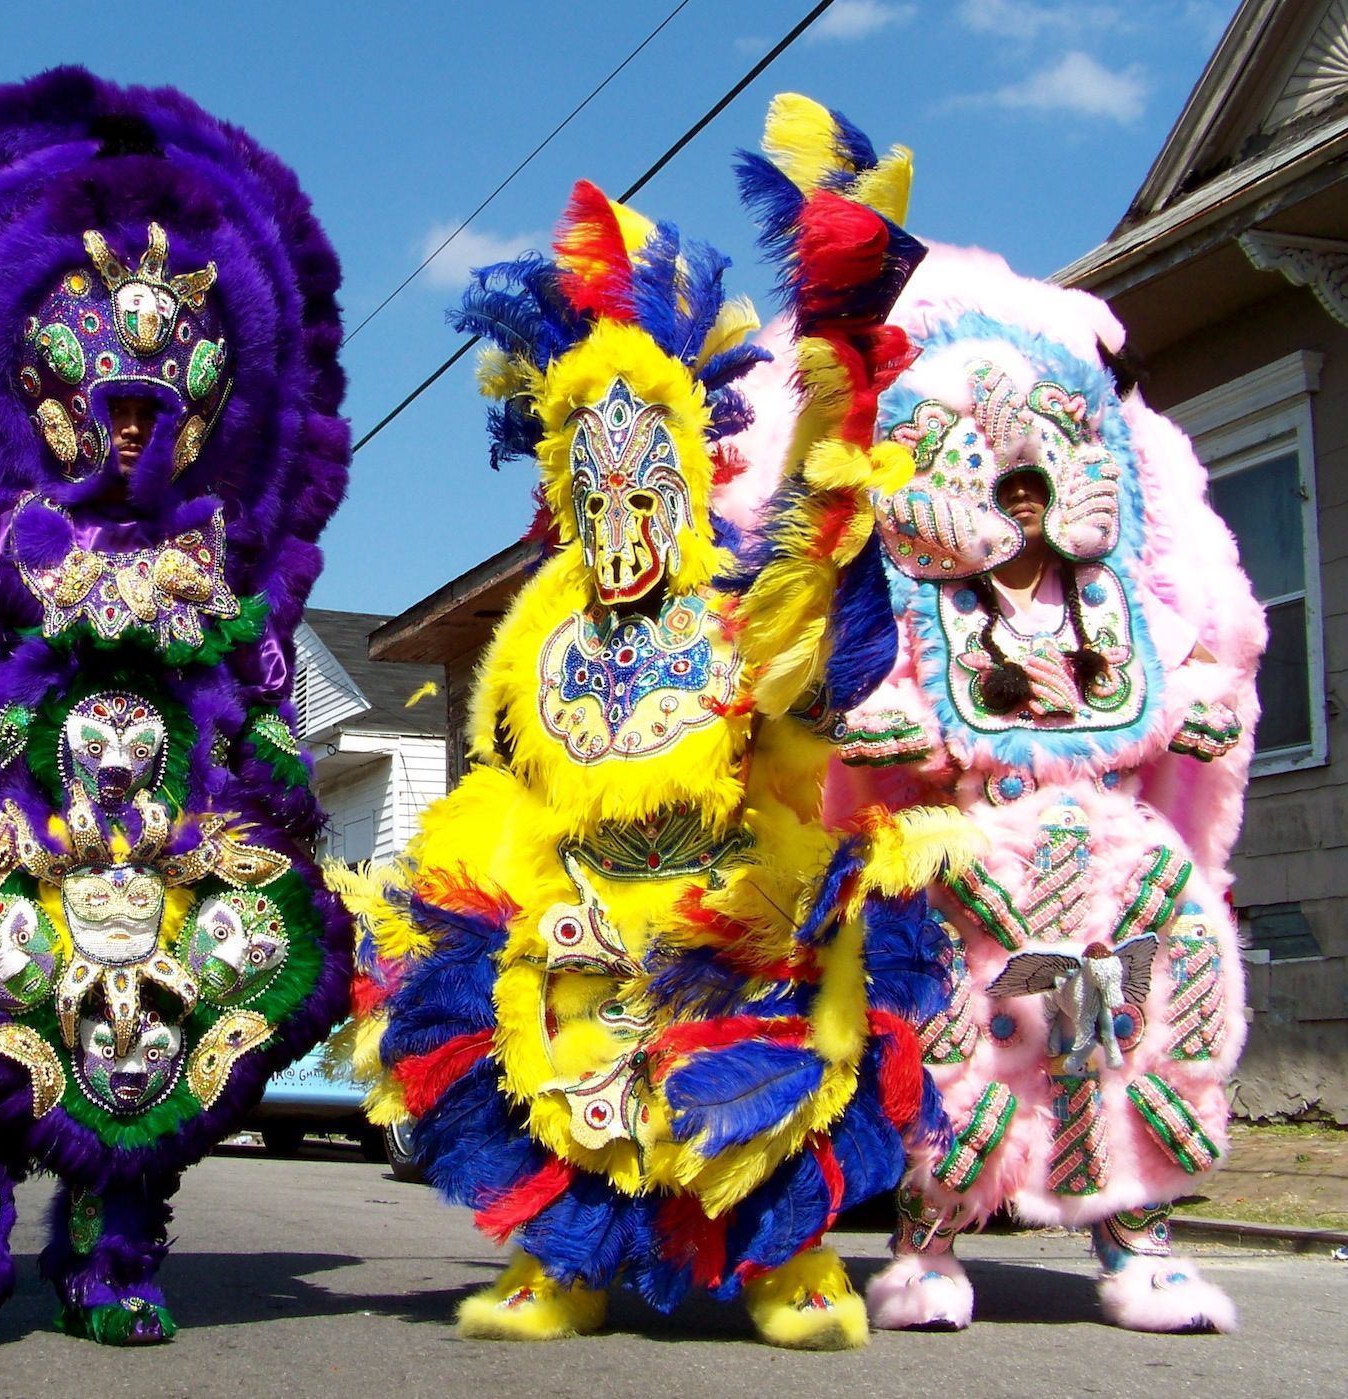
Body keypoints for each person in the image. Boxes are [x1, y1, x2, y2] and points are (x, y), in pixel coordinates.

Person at [350, 98, 941, 1350]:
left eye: (648, 487)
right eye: (596, 490)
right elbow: (518, 779)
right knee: (537, 1058)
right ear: (566, 492)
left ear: (687, 477)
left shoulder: (737, 594)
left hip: (726, 898)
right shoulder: (537, 632)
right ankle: (562, 1262)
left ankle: (787, 1261)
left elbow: (820, 627)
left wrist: (841, 386)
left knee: (775, 1077)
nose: (623, 521)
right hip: (587, 911)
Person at [0, 70, 353, 1354]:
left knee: (154, 1060)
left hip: (167, 844)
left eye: (154, 410)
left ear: (193, 414)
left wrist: (271, 751)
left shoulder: (206, 554)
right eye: (108, 406)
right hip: (25, 831)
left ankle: (115, 1259)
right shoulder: (7, 539)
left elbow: (258, 680)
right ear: (57, 403)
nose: (129, 432)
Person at [833, 243, 1261, 1335]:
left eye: (1040, 472)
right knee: (971, 1047)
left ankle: (1138, 1234)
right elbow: (893, 703)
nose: (1021, 508)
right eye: (996, 476)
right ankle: (928, 1240)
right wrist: (887, 724)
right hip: (984, 857)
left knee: (1130, 1036)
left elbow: (1185, 668)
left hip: (1117, 860)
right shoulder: (931, 617)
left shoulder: (1119, 606)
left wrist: (1201, 697)